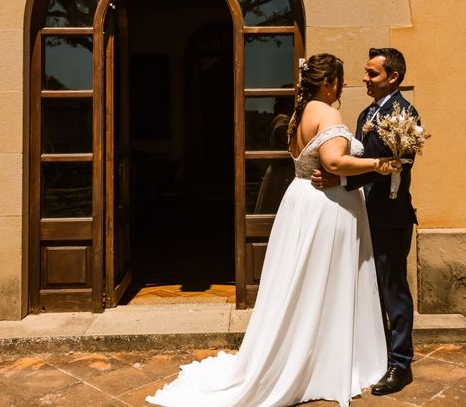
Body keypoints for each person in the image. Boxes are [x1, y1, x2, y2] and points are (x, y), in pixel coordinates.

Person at [146, 54, 401, 407]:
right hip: (324, 207)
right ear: (330, 83)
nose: (343, 87)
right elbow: (333, 162)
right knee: (325, 282)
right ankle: (325, 361)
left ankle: (308, 352)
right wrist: (380, 163)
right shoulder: (327, 113)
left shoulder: (299, 113)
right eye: (340, 81)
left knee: (304, 284)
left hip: (300, 202)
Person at [312, 47, 419, 396]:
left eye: (372, 73)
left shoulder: (404, 113)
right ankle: (377, 354)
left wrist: (339, 179)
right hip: (363, 213)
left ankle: (400, 364)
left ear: (393, 77)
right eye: (365, 72)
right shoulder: (368, 112)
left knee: (393, 290)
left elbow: (390, 165)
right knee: (368, 288)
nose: (364, 78)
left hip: (389, 216)